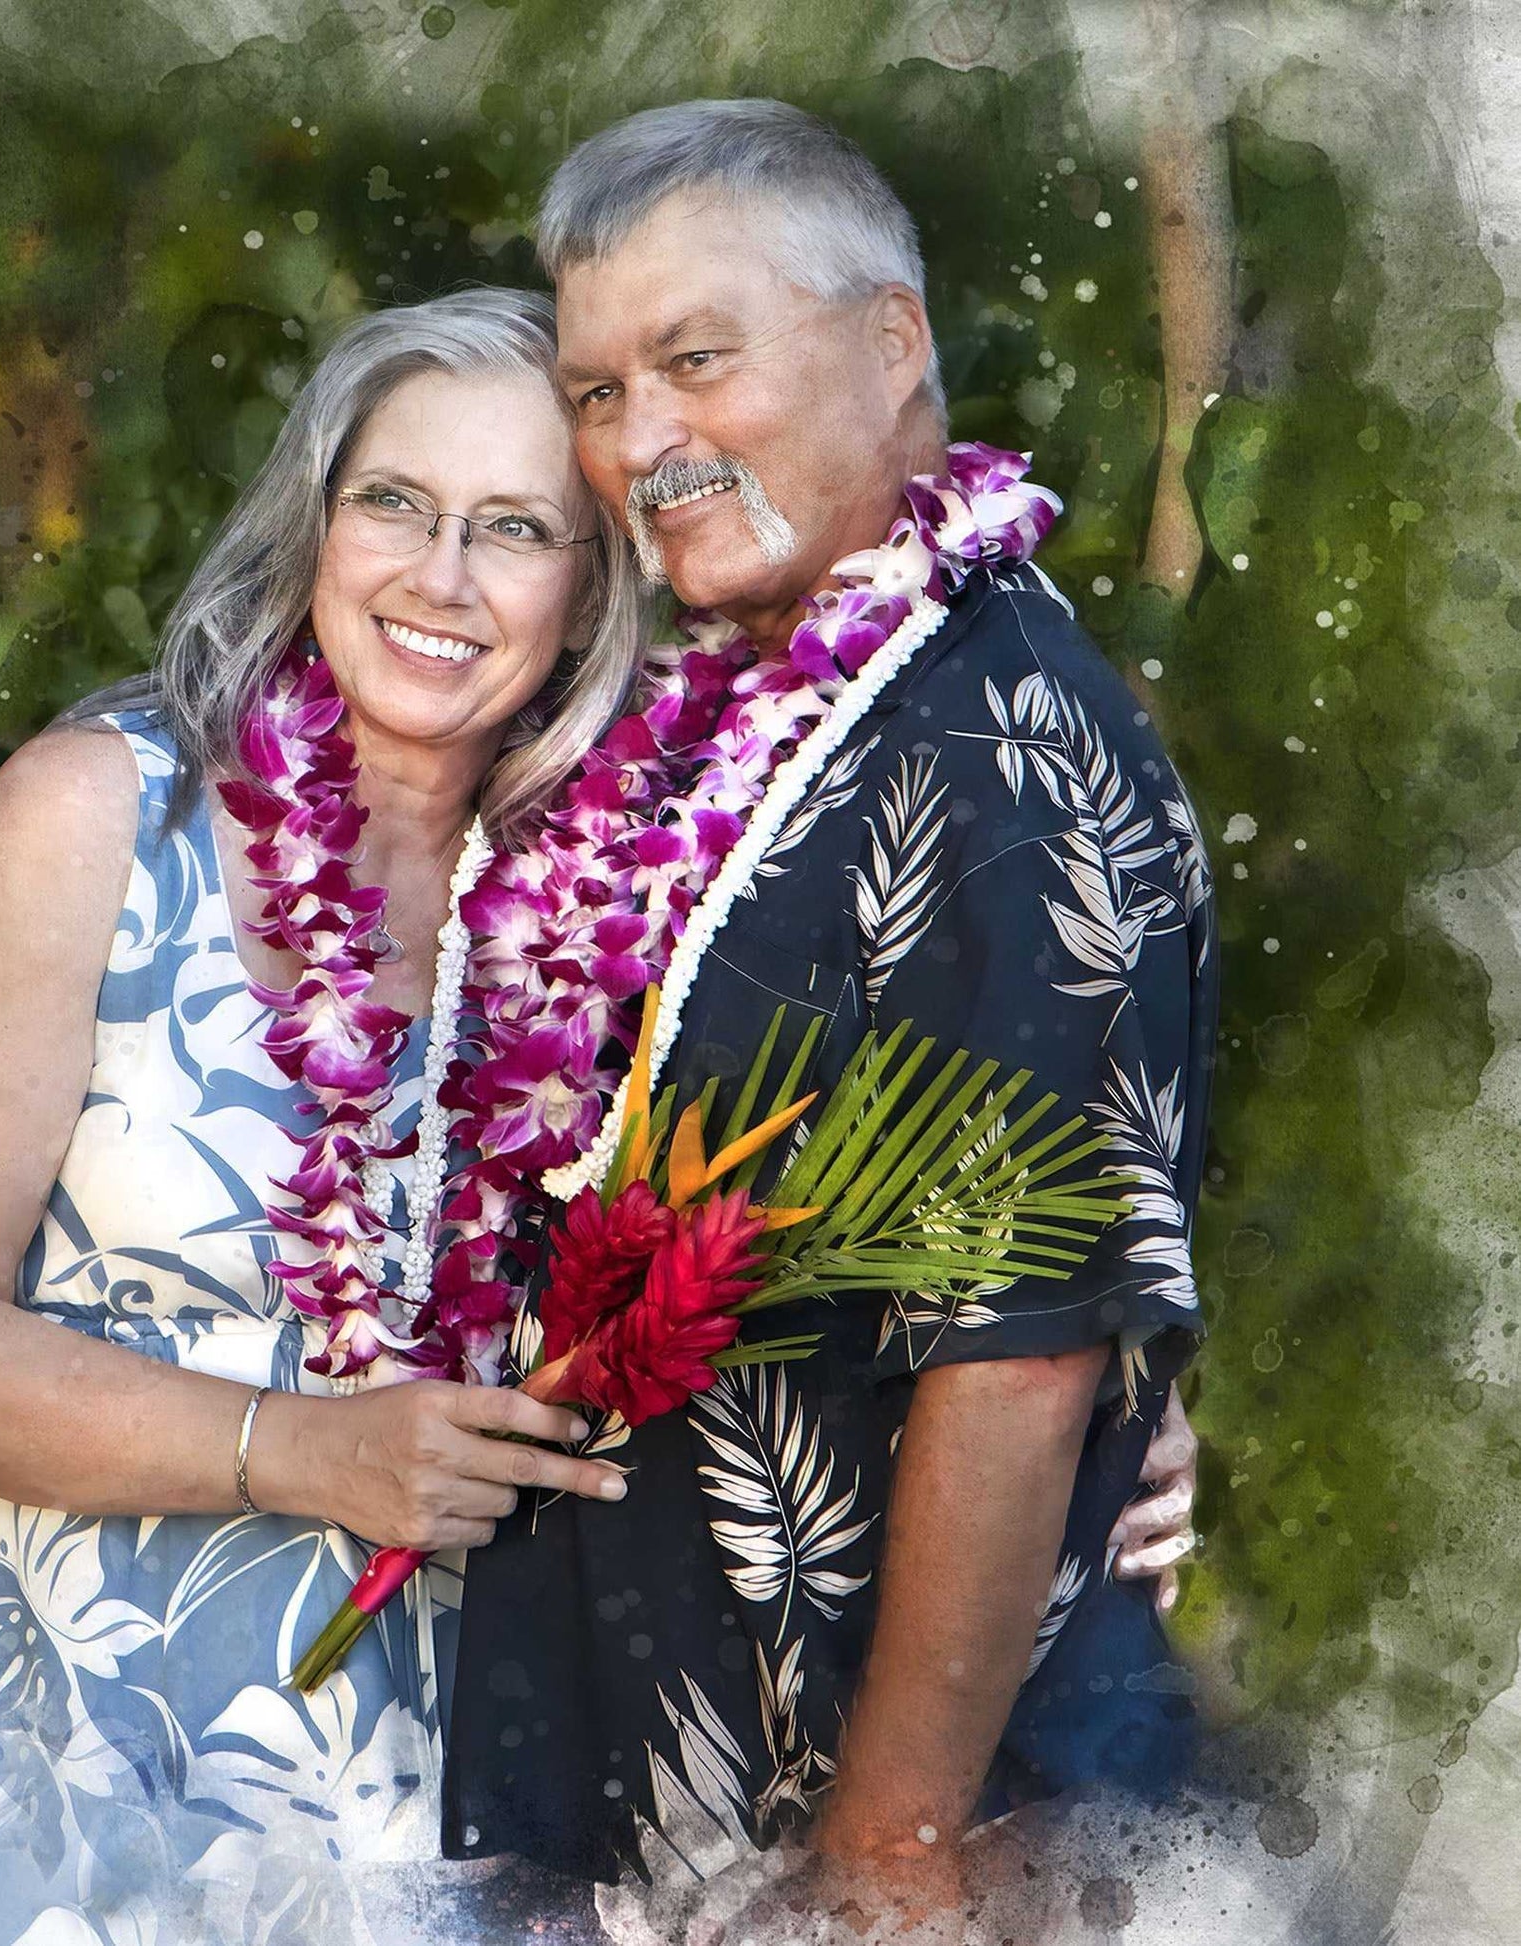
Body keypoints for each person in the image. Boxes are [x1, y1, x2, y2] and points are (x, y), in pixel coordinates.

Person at [441, 100, 1216, 1932]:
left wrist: (883, 1864)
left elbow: (1017, 1347)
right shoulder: (740, 706)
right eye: (600, 390)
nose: (643, 441)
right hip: (653, 1787)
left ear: (891, 343)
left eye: (695, 360)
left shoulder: (1000, 749)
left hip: (856, 1835)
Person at [0, 288, 648, 1946]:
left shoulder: (635, 909)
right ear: (314, 519)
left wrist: (1107, 1438)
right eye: (392, 502)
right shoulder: (106, 814)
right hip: (97, 1836)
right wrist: (303, 1453)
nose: (439, 576)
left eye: (516, 527)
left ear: (595, 584)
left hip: (496, 1843)